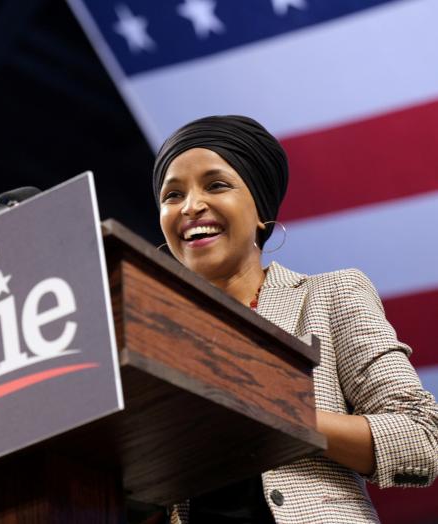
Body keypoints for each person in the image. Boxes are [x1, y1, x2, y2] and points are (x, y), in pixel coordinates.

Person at [151, 115, 438, 523]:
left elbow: (421, 438)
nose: (191, 206)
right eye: (172, 195)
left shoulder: (329, 296)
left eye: (216, 185)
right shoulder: (154, 334)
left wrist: (274, 410)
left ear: (261, 212)